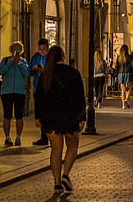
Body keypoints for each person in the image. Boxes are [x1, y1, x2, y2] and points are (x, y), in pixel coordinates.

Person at [34, 45, 85, 194]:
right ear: (63, 56)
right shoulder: (73, 73)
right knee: (72, 146)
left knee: (56, 149)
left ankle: (57, 183)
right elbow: (79, 97)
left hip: (50, 115)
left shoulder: (46, 74)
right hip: (69, 115)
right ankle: (66, 174)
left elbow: (39, 97)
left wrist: (38, 116)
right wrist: (82, 117)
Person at [0, 41, 30, 146]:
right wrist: (9, 64)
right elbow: (0, 71)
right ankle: (7, 137)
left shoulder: (23, 61)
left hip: (19, 91)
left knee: (19, 116)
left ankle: (18, 137)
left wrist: (19, 63)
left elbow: (26, 73)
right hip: (7, 91)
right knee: (7, 115)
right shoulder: (5, 60)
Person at [29, 38, 50, 146]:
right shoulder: (35, 57)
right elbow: (28, 72)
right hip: (37, 88)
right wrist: (33, 68)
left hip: (48, 88)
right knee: (40, 113)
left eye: (44, 49)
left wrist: (44, 70)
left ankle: (48, 135)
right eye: (40, 49)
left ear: (47, 47)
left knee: (47, 112)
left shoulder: (50, 57)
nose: (42, 51)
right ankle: (43, 136)